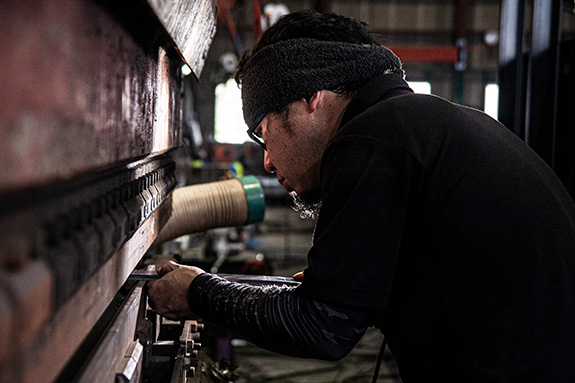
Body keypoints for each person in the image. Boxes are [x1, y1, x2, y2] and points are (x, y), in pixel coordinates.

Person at [148, 10, 575, 382]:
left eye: (264, 134)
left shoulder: (371, 138)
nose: (268, 164)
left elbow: (323, 328)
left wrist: (199, 293)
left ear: (310, 98)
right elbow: (341, 301)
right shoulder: (423, 125)